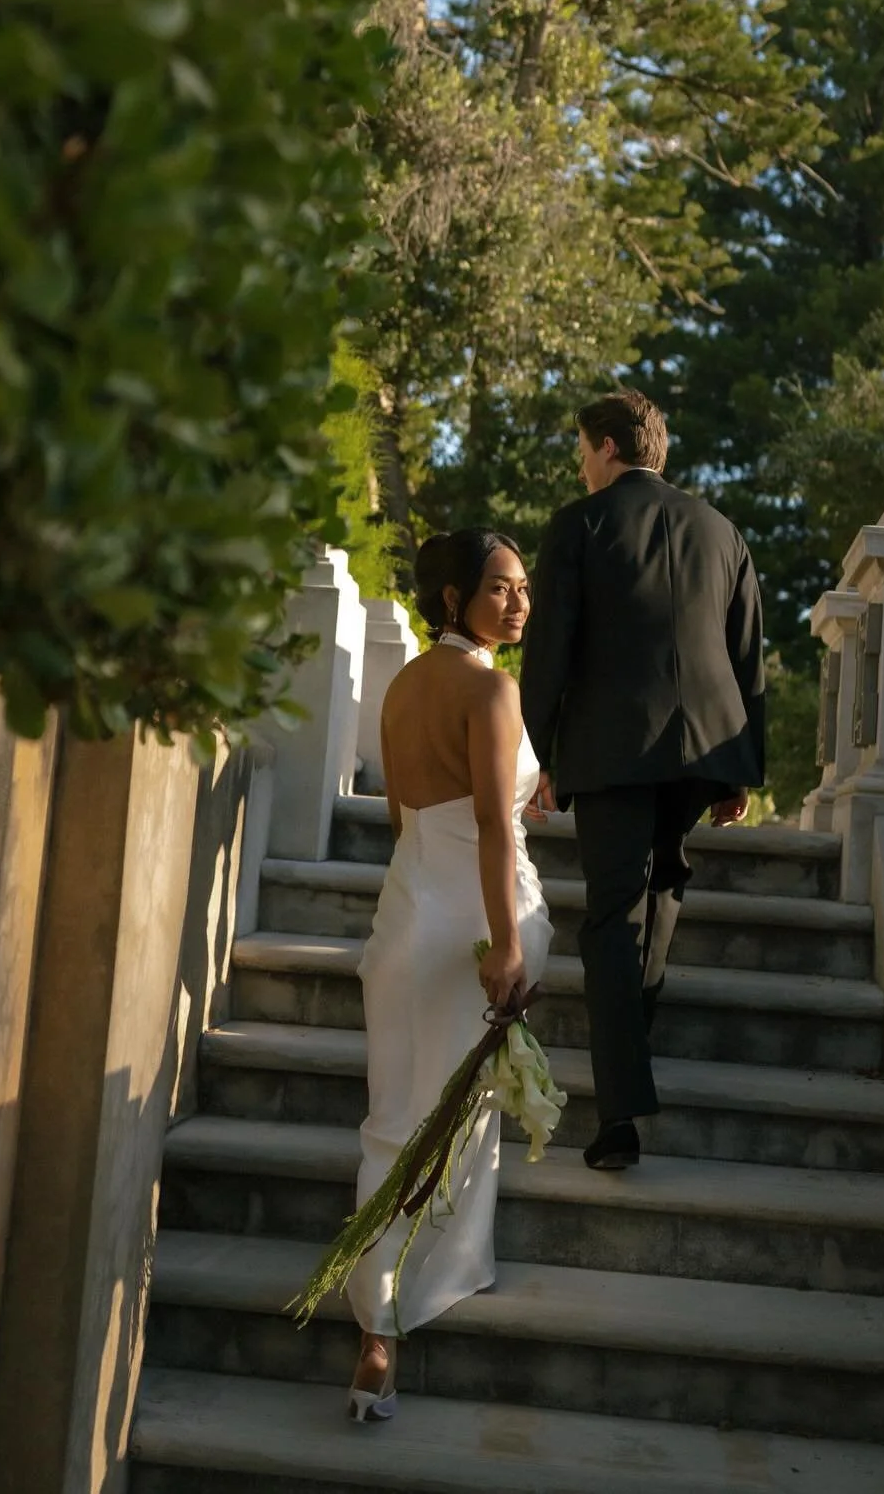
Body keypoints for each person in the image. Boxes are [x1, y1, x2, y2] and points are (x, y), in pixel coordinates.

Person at [520, 389, 764, 1172]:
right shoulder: (722, 530)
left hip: (613, 746)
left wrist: (540, 752)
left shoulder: (578, 524)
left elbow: (548, 649)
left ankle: (619, 1114)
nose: (581, 467)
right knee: (660, 896)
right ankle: (631, 1051)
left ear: (608, 448)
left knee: (610, 919)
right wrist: (745, 765)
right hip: (707, 745)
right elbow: (748, 652)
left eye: (583, 451)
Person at [345, 529, 554, 1421]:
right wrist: (505, 941)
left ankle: (374, 1327)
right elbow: (496, 828)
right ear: (451, 598)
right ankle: (419, 1289)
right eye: (499, 587)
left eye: (523, 587)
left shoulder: (402, 687)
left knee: (394, 1113)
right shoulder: (494, 689)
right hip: (474, 914)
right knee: (450, 1115)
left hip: (406, 909)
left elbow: (405, 817)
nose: (519, 602)